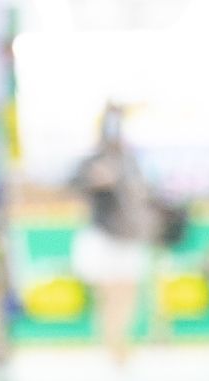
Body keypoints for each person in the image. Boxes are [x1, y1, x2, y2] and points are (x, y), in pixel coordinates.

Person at [71, 104, 159, 364]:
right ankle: (112, 345)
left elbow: (144, 192)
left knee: (128, 293)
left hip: (129, 236)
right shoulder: (93, 159)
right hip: (104, 235)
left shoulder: (131, 160)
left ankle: (121, 342)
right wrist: (94, 179)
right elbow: (74, 182)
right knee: (109, 294)